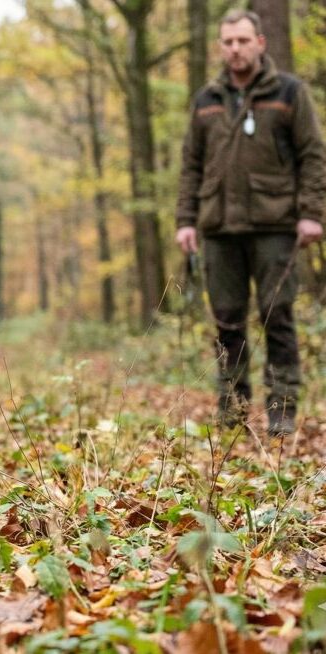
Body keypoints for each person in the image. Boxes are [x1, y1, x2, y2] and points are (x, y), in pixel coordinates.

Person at [176, 10, 325, 436]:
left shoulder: (289, 92)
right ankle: (234, 411)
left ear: (260, 42)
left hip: (276, 225)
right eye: (228, 42)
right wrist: (186, 221)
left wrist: (312, 214)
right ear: (220, 46)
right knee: (227, 322)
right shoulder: (206, 99)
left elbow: (313, 156)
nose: (235, 49)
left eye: (243, 40)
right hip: (218, 228)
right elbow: (191, 165)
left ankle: (282, 410)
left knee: (277, 316)